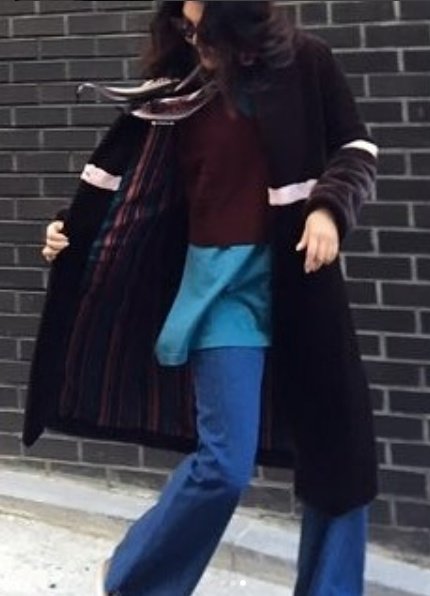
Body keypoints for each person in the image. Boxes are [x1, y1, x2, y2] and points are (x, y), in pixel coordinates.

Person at [25, 2, 379, 594]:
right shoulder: (178, 89)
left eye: (205, 30)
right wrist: (70, 229)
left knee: (339, 454)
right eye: (185, 28)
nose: (195, 41)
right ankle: (136, 579)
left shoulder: (305, 62)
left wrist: (329, 208)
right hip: (218, 293)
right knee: (224, 465)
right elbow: (125, 181)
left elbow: (357, 148)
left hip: (299, 284)